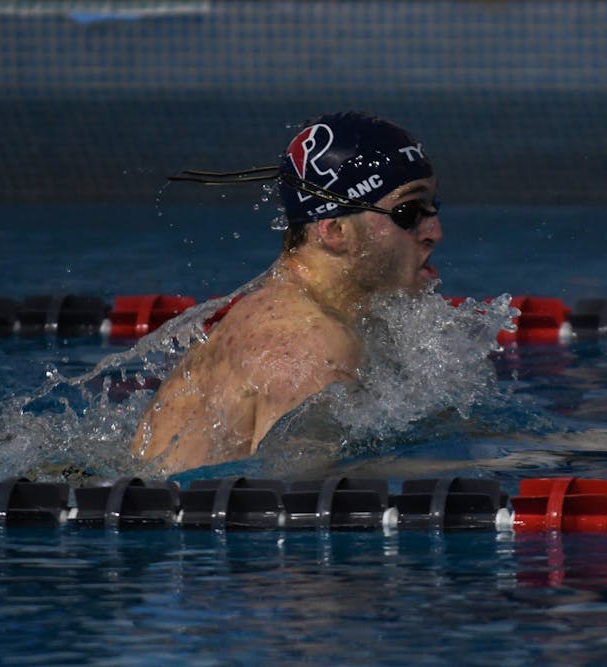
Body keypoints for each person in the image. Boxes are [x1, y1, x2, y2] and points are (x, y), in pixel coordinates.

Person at [131, 111, 443, 473]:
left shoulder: (322, 316)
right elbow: (298, 499)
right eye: (407, 212)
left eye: (433, 207)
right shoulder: (309, 345)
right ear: (335, 231)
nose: (434, 231)